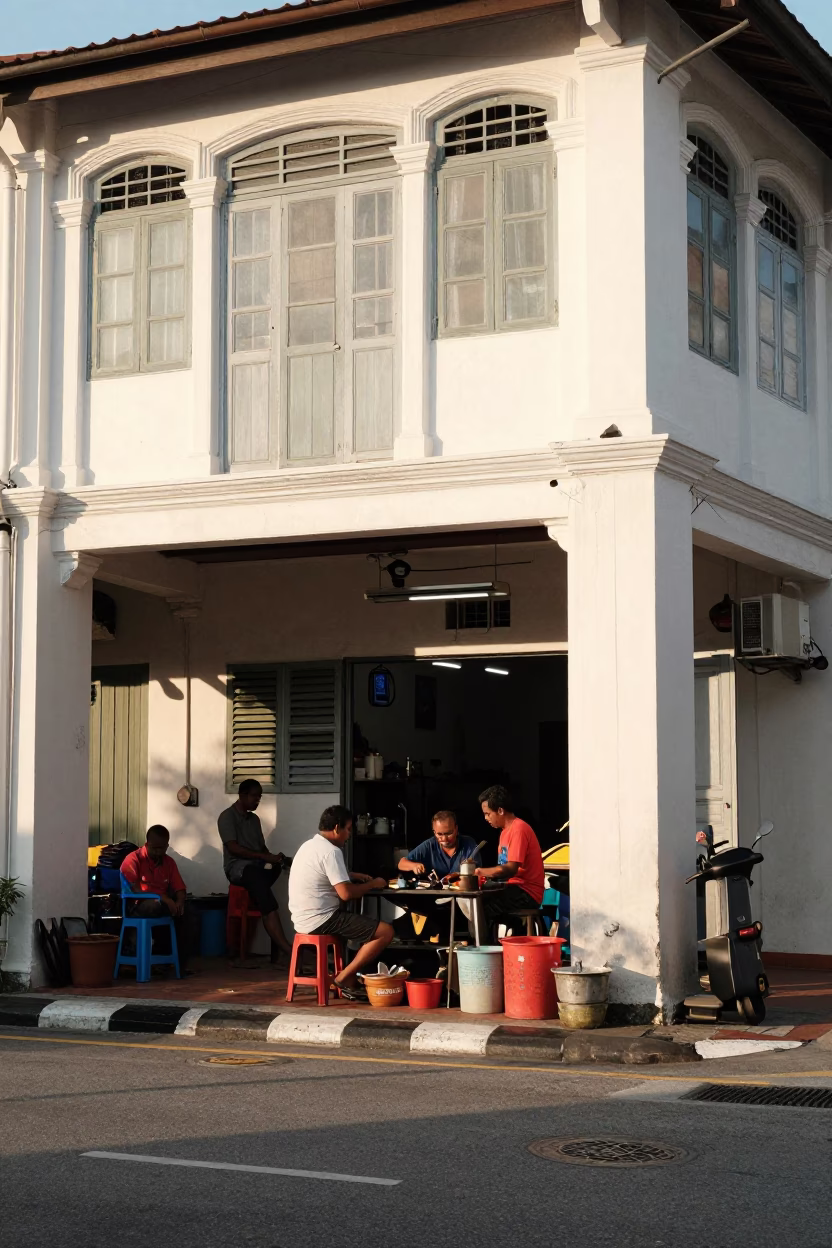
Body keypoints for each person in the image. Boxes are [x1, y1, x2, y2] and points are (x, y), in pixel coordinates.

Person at [288, 805, 392, 1002]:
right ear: (337, 828)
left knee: (358, 928)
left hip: (301, 919)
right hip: (322, 919)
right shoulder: (331, 851)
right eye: (348, 829)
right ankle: (343, 978)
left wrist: (351, 875)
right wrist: (373, 884)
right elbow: (346, 894)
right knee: (385, 932)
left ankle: (349, 978)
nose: (349, 834)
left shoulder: (308, 846)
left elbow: (322, 873)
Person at [218, 779, 293, 959]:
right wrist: (264, 857)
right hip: (237, 868)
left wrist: (274, 858)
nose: (257, 801)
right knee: (256, 877)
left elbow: (261, 849)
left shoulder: (254, 819)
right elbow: (233, 848)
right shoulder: (227, 817)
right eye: (254, 796)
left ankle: (261, 896)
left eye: (259, 797)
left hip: (256, 868)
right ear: (242, 795)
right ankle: (286, 948)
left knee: (273, 870)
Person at [394, 811, 482, 942]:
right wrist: (414, 866)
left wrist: (456, 877)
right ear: (434, 832)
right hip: (434, 902)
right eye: (439, 834)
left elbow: (476, 872)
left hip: (461, 902)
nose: (444, 839)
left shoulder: (468, 844)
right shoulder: (429, 845)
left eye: (448, 833)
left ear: (456, 829)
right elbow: (402, 863)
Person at [120, 826, 193, 972]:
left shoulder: (169, 862)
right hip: (137, 904)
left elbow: (179, 887)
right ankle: (158, 957)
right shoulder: (133, 859)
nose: (158, 852)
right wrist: (163, 898)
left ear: (167, 845)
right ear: (147, 844)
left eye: (162, 848)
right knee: (158, 906)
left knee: (190, 913)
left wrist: (179, 902)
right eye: (155, 848)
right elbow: (135, 890)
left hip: (162, 903)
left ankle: (177, 964)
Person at [476, 785, 545, 931]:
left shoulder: (519, 829)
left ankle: (487, 948)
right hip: (512, 887)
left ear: (500, 810)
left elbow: (510, 869)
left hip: (526, 892)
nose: (485, 818)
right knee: (477, 897)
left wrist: (479, 872)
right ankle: (513, 929)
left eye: (488, 814)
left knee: (481, 906)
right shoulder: (504, 832)